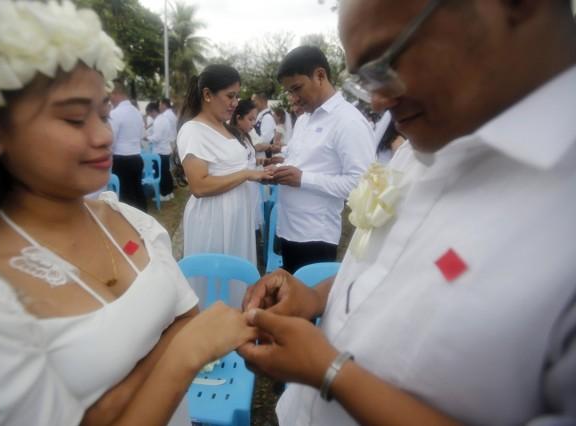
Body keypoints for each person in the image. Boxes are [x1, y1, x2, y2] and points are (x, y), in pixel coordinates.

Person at [239, 0, 576, 424]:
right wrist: (315, 296)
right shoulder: (425, 144)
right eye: (366, 78)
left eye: (389, 58)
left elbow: (353, 180)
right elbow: (381, 264)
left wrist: (330, 371)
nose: (378, 102)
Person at [0, 2, 256, 425]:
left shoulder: (127, 219)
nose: (104, 135)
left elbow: (186, 316)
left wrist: (102, 406)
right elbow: (187, 335)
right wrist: (182, 355)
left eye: (103, 113)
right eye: (73, 118)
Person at [272, 45, 376, 273]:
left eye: (297, 88)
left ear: (320, 76)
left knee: (308, 304)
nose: (294, 97)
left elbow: (361, 185)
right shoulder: (304, 120)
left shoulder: (348, 122)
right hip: (288, 228)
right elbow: (299, 161)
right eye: (289, 91)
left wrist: (303, 179)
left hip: (315, 236)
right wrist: (275, 170)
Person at [177, 65, 272, 266]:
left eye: (237, 97)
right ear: (207, 94)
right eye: (230, 96)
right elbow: (199, 186)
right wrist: (246, 174)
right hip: (214, 219)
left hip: (237, 215)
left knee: (237, 277)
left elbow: (234, 165)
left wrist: (262, 172)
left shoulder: (227, 129)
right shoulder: (193, 131)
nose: (235, 103)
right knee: (218, 281)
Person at [109, 81, 147, 210]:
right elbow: (142, 134)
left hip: (121, 159)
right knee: (138, 191)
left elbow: (111, 139)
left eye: (110, 95)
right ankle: (144, 219)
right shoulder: (137, 112)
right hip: (136, 157)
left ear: (115, 94)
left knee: (126, 195)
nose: (110, 99)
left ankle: (130, 225)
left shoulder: (115, 113)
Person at [230, 99, 266, 231]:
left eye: (254, 119)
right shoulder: (232, 139)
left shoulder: (246, 136)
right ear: (238, 118)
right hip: (243, 188)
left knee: (251, 226)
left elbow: (248, 159)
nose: (253, 123)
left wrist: (263, 163)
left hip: (252, 187)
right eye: (250, 119)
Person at [147, 99, 176, 201]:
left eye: (150, 114)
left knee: (161, 174)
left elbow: (157, 137)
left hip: (160, 151)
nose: (150, 116)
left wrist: (147, 138)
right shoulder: (163, 119)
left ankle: (164, 194)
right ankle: (169, 192)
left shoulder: (159, 121)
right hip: (165, 150)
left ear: (152, 111)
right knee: (166, 172)